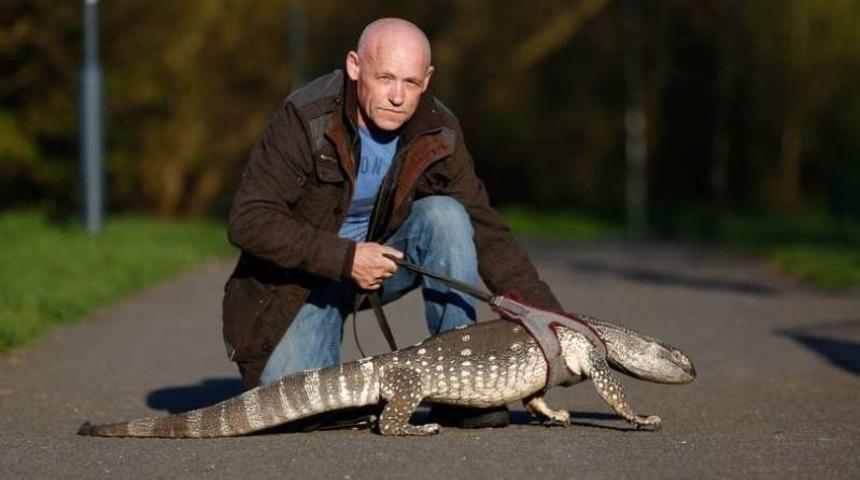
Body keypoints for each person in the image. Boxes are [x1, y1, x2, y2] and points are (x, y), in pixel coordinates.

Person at [223, 18, 560, 428]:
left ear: (427, 79)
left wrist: (554, 326)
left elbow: (486, 230)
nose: (397, 97)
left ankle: (462, 388)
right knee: (300, 406)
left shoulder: (438, 129)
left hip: (383, 268)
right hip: (301, 281)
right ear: (354, 66)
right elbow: (249, 219)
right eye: (384, 78)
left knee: (447, 216)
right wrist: (345, 258)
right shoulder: (305, 117)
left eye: (410, 82)